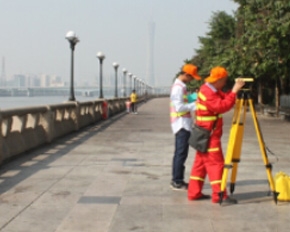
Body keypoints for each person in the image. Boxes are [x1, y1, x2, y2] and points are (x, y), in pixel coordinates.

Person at [187, 66, 245, 203]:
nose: (225, 83)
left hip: (206, 133)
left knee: (200, 165)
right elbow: (221, 107)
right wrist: (235, 91)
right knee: (216, 164)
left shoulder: (212, 89)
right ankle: (220, 195)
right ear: (218, 80)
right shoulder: (208, 91)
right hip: (209, 134)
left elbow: (224, 98)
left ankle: (194, 193)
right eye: (224, 80)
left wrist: (233, 93)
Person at [170, 64, 201, 190]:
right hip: (181, 124)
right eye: (191, 78)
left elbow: (184, 101)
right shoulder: (178, 88)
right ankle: (177, 181)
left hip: (183, 123)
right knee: (181, 153)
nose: (192, 80)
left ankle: (178, 179)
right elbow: (179, 107)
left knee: (181, 153)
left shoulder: (181, 87)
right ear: (186, 75)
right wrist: (196, 105)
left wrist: (193, 97)